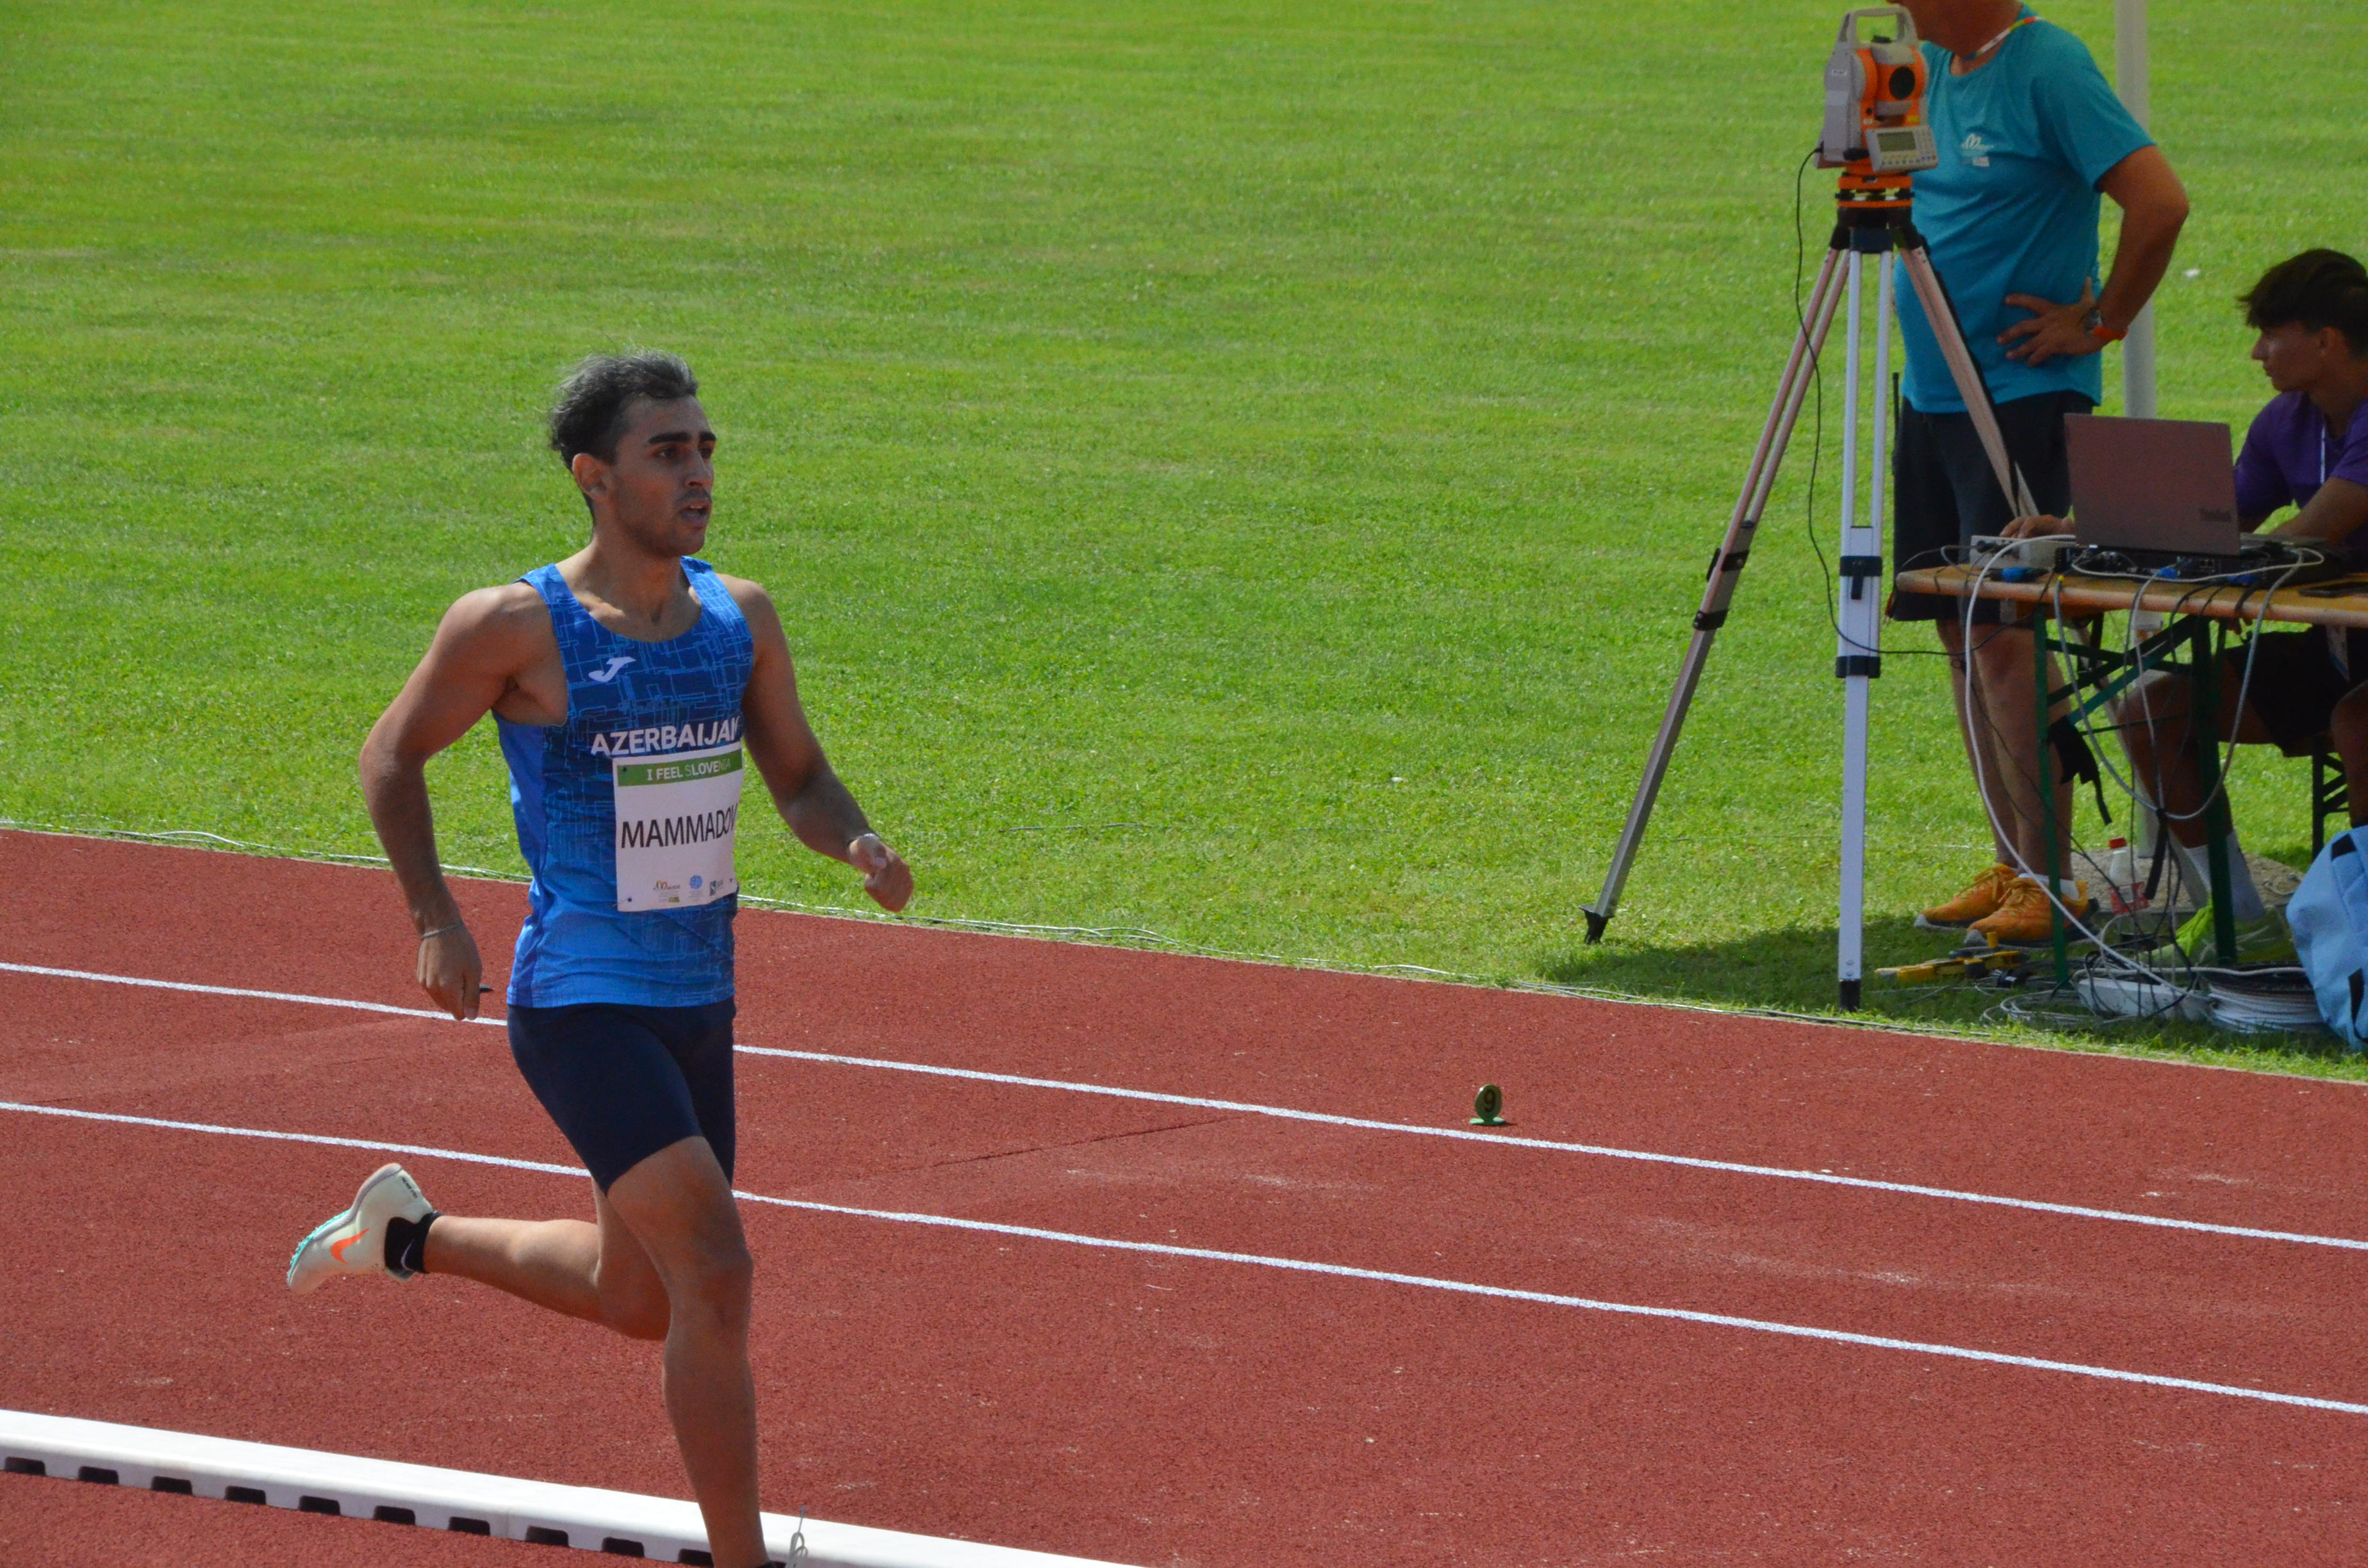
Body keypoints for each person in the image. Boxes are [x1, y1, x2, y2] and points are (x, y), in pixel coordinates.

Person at [285, 351, 912, 1568]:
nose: (698, 472)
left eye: (706, 447)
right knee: (717, 1272)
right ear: (593, 476)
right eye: (666, 452)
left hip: (698, 994)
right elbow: (388, 756)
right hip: (579, 997)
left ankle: (410, 1233)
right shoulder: (518, 624)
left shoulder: (741, 612)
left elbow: (796, 772)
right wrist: (436, 915)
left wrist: (856, 838)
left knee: (642, 1298)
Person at [1888, 0, 2189, 945]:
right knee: (1958, 627)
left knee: (2007, 635)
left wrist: (2100, 324)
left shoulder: (2049, 65)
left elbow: (2160, 201)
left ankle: (2052, 878)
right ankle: (2016, 861)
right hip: (1932, 396)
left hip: (2017, 401)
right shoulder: (1928, 64)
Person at [2018, 250, 2368, 965]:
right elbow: (2212, 520)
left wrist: (2223, 559)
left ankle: (2357, 931)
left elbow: (2308, 536)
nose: (2256, 352)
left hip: (2350, 663)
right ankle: (2242, 925)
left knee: (2359, 724)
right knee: (2154, 709)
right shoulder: (2288, 419)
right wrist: (2082, 534)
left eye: (2272, 334)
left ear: (2326, 340)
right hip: (2337, 647)